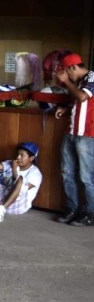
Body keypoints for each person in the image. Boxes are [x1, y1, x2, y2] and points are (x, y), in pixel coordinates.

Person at [54, 53, 94, 226]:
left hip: (86, 135)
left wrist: (66, 82)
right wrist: (66, 108)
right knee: (66, 173)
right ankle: (72, 209)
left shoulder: (92, 76)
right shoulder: (77, 82)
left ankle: (89, 213)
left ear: (73, 68)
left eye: (67, 73)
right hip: (71, 132)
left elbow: (83, 97)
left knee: (86, 177)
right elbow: (79, 102)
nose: (66, 77)